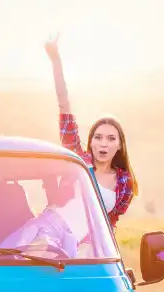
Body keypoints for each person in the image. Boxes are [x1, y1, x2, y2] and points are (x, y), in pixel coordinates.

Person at [44, 34, 138, 228]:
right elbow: (64, 106)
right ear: (91, 142)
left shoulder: (124, 182)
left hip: (87, 249)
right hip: (54, 231)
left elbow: (111, 224)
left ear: (120, 145)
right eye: (98, 137)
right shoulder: (78, 162)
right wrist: (56, 61)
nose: (103, 143)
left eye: (111, 138)